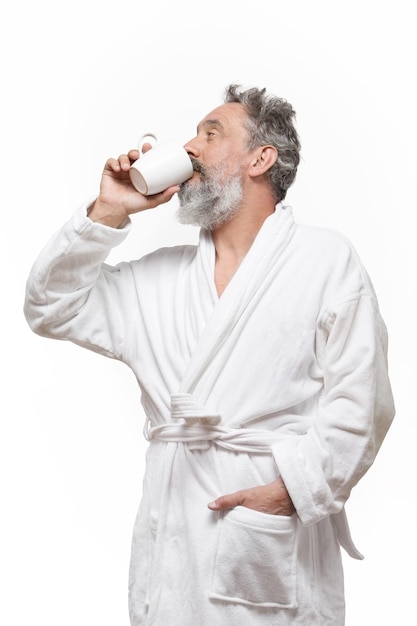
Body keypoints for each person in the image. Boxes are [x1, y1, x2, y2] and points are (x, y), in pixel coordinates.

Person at [24, 84, 395, 626]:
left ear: (260, 158)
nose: (190, 147)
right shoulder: (158, 278)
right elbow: (50, 307)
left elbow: (364, 401)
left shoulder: (324, 260)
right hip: (170, 531)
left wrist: (292, 491)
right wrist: (108, 210)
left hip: (264, 536)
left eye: (210, 132)